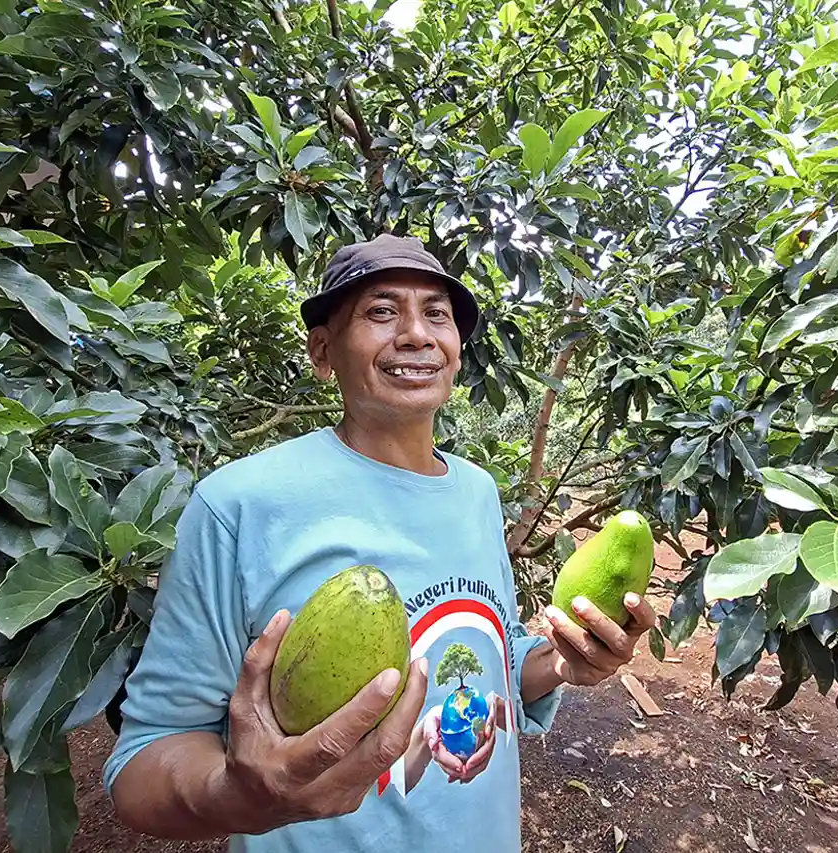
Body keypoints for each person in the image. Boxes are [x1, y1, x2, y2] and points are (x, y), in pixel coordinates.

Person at [102, 233, 657, 852]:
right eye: (381, 311)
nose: (417, 334)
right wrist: (241, 797)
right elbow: (145, 763)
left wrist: (559, 663)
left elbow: (481, 669)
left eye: (437, 315)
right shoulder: (239, 504)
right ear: (322, 351)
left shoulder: (475, 490)